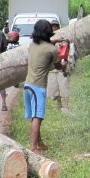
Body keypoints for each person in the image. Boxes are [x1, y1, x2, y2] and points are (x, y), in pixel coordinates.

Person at [24, 19, 65, 154]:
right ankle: (33, 147)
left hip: (27, 85)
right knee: (38, 117)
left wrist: (55, 41)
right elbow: (59, 66)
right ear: (49, 31)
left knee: (34, 116)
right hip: (38, 87)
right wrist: (65, 63)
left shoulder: (32, 45)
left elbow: (44, 46)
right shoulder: (52, 50)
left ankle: (39, 143)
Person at [46, 20, 71, 111]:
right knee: (54, 88)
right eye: (52, 26)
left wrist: (65, 62)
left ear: (58, 27)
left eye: (55, 26)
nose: (54, 28)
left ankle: (67, 105)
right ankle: (58, 104)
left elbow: (66, 51)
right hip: (52, 68)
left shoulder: (63, 38)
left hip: (62, 66)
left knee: (64, 86)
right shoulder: (48, 39)